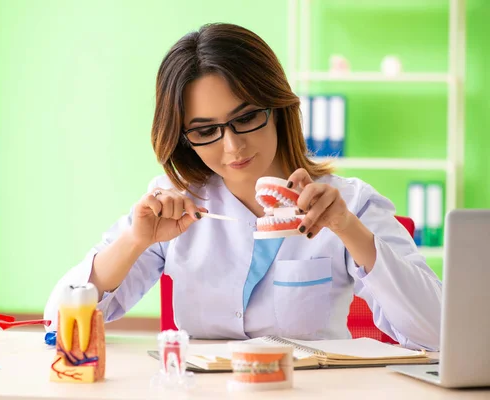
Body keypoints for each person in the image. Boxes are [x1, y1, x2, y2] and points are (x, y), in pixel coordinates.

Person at [44, 23, 441, 351]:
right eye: (205, 130)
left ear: (278, 106)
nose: (232, 146)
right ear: (183, 136)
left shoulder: (350, 202)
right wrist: (133, 242)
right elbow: (57, 322)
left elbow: (439, 333)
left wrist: (346, 227)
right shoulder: (174, 202)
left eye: (247, 117)